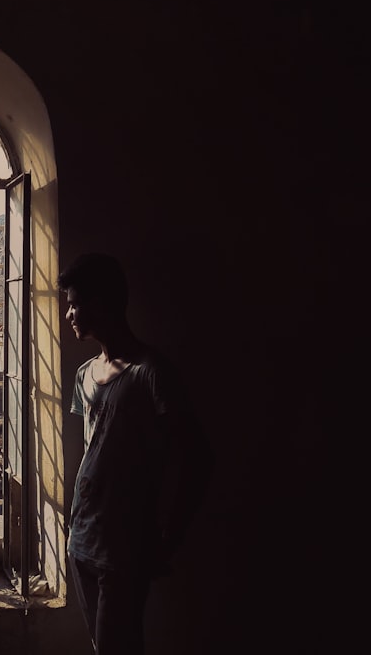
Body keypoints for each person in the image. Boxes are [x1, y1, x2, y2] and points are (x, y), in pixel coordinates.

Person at [59, 253, 213, 654]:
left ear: (104, 303)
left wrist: (171, 533)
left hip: (124, 544)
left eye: (76, 303)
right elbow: (93, 451)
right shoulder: (85, 374)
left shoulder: (152, 373)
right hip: (82, 538)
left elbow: (196, 457)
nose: (69, 314)